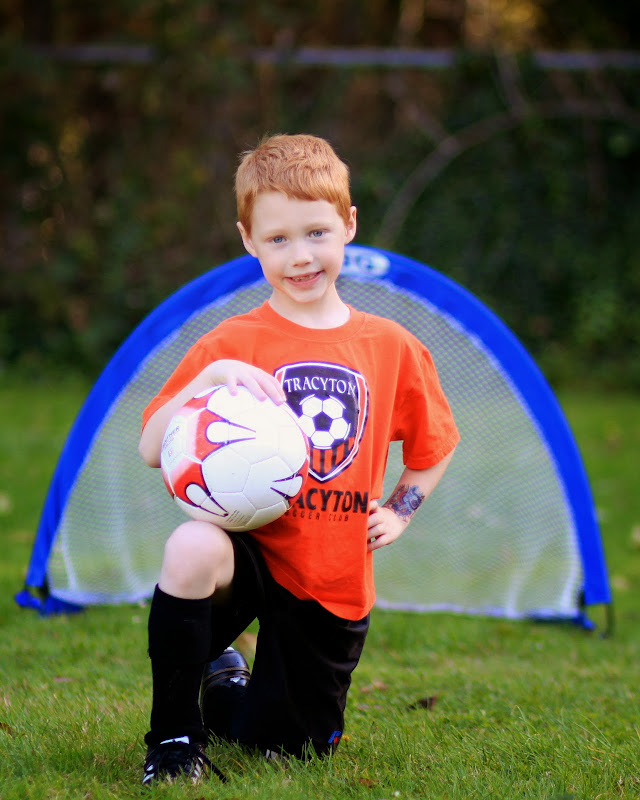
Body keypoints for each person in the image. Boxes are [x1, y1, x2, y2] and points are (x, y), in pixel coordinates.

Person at [138, 133, 459, 786]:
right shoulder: (232, 343)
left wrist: (400, 510)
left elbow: (433, 447)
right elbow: (150, 448)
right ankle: (172, 739)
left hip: (328, 576)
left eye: (316, 233)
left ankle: (224, 681)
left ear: (349, 225)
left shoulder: (392, 346)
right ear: (248, 240)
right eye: (278, 239)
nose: (301, 255)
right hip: (248, 551)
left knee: (282, 747)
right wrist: (209, 380)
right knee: (190, 545)